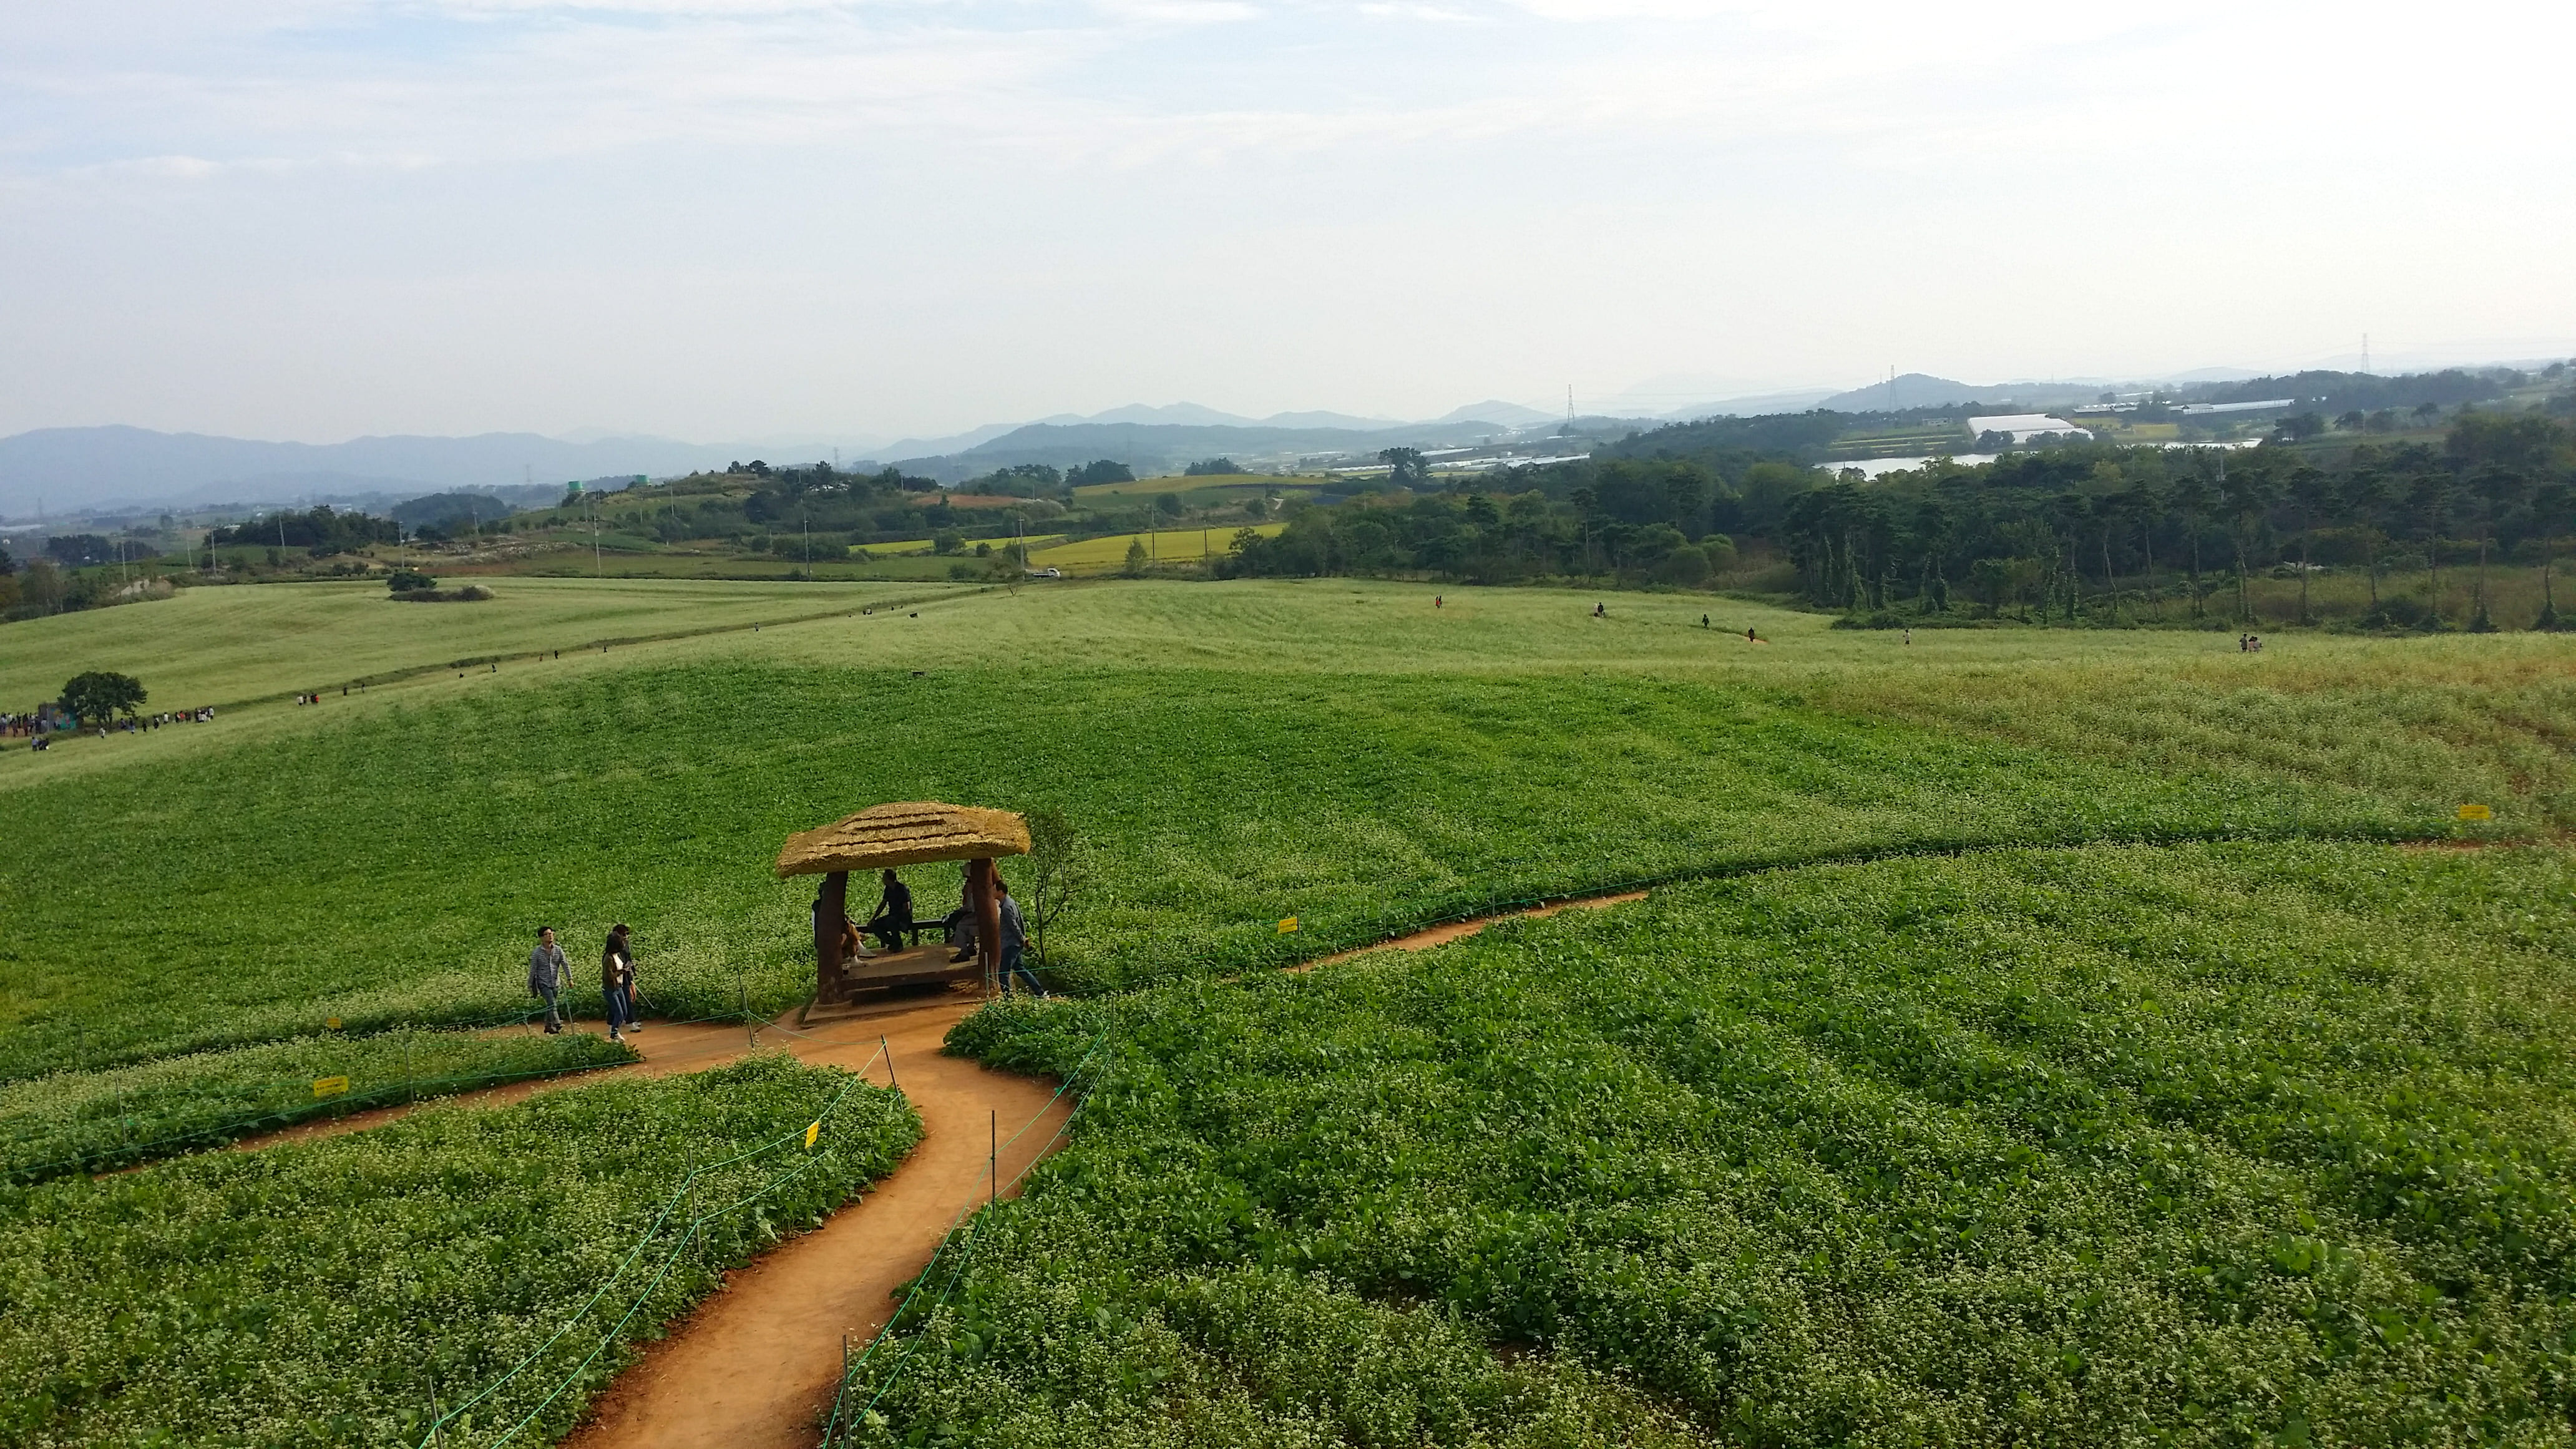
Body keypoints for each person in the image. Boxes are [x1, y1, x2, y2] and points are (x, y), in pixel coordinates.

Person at [995, 877, 1044, 997]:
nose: (992, 892)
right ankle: (1040, 992)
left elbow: (1014, 926)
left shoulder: (1006, 907)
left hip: (1011, 944)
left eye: (994, 890)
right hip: (1015, 943)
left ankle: (1008, 999)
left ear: (1000, 892)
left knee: (1003, 973)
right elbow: (1020, 921)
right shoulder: (1011, 902)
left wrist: (1022, 939)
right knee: (1021, 970)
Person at [527, 927, 569, 1033]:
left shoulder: (558, 950)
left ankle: (548, 1026)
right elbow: (533, 969)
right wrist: (530, 985)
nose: (550, 936)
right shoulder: (537, 953)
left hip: (555, 982)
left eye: (551, 933)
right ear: (541, 938)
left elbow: (565, 964)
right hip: (543, 983)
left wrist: (570, 978)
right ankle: (557, 1024)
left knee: (551, 1005)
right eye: (547, 934)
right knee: (552, 1004)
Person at [605, 923, 643, 1033]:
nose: (626, 937)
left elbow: (628, 959)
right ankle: (628, 1023)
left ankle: (617, 1022)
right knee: (623, 1002)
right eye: (624, 935)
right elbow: (609, 974)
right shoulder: (610, 955)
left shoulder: (625, 945)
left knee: (625, 1002)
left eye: (627, 934)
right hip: (617, 981)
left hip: (624, 977)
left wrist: (631, 972)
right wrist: (622, 971)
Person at [867, 869, 915, 952]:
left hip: (903, 918)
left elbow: (906, 907)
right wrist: (873, 918)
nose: (882, 879)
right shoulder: (888, 889)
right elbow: (883, 904)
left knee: (891, 921)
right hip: (892, 916)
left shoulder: (902, 889)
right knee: (875, 925)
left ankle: (898, 944)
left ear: (888, 879)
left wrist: (897, 917)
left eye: (884, 877)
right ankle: (893, 943)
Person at [602, 925, 635, 1043]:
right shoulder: (608, 958)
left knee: (624, 1012)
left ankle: (615, 1033)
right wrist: (622, 971)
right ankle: (614, 1035)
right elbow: (608, 976)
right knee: (619, 1013)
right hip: (611, 989)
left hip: (619, 987)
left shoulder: (617, 955)